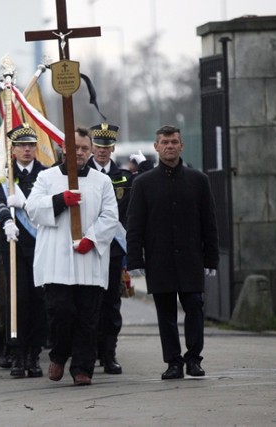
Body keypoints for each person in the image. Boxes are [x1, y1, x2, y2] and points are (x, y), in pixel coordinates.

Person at [25, 130, 119, 386]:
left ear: (89, 151)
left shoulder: (102, 182)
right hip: (57, 260)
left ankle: (82, 368)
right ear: (63, 148)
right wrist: (59, 201)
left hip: (88, 259)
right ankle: (58, 354)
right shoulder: (47, 177)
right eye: (74, 147)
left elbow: (110, 215)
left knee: (88, 317)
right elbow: (32, 209)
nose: (79, 152)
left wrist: (93, 238)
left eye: (83, 148)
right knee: (60, 311)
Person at [126, 125, 219, 380]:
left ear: (181, 145)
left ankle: (194, 359)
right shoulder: (143, 183)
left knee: (194, 307)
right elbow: (135, 224)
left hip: (191, 258)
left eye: (174, 141)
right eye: (164, 142)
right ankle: (173, 362)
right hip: (160, 259)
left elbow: (209, 223)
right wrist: (135, 259)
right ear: (156, 147)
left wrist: (211, 258)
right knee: (165, 313)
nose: (169, 146)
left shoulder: (199, 180)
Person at [86, 124, 153, 374]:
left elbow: (147, 186)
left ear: (113, 148)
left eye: (106, 147)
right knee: (90, 301)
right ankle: (89, 350)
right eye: (98, 146)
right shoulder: (81, 173)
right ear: (92, 147)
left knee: (111, 303)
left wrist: (145, 166)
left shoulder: (123, 176)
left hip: (113, 249)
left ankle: (109, 353)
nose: (102, 151)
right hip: (89, 246)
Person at [0, 123, 48, 378]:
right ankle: (17, 353)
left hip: (40, 244)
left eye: (30, 145)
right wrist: (7, 220)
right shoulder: (4, 175)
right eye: (22, 145)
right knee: (16, 299)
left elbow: (49, 206)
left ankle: (33, 355)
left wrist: (27, 205)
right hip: (13, 244)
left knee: (38, 300)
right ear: (12, 149)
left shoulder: (46, 174)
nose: (27, 149)